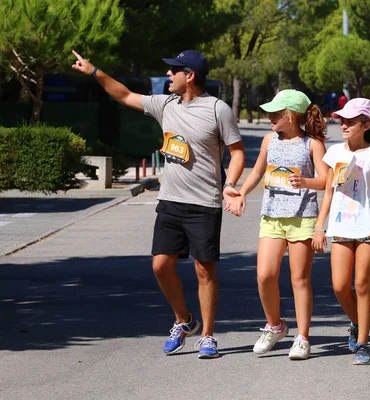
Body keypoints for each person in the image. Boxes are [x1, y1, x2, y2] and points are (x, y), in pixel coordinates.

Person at [72, 50, 245, 358]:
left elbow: (237, 152)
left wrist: (230, 185)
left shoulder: (218, 109)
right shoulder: (166, 105)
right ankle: (184, 320)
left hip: (205, 202)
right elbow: (124, 95)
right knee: (160, 265)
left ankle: (207, 335)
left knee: (204, 271)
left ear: (189, 75)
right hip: (170, 201)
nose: (168, 75)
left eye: (173, 70)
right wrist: (95, 71)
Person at [226, 89, 328, 360]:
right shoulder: (269, 139)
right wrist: (241, 193)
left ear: (291, 116)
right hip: (272, 216)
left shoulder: (312, 144)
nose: (269, 116)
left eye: (274, 113)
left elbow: (327, 179)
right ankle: (275, 325)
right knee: (265, 275)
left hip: (302, 217)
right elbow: (258, 170)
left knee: (299, 279)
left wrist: (306, 182)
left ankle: (303, 337)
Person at [312, 98, 370, 365]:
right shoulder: (335, 152)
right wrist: (319, 227)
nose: (344, 125)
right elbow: (328, 191)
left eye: (350, 121)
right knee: (340, 286)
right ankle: (356, 322)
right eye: (342, 120)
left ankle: (363, 343)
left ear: (366, 124)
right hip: (340, 226)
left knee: (362, 284)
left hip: (369, 227)